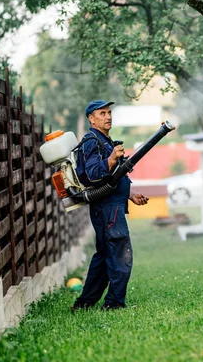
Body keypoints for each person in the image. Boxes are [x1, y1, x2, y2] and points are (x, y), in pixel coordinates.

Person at [71, 100, 148, 312]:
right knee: (121, 254)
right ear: (91, 118)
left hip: (111, 206)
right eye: (102, 113)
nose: (108, 117)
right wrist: (113, 158)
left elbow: (111, 181)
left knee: (104, 257)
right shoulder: (91, 141)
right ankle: (114, 304)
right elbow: (94, 174)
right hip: (107, 210)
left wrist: (129, 195)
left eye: (109, 112)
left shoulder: (104, 140)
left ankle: (84, 304)